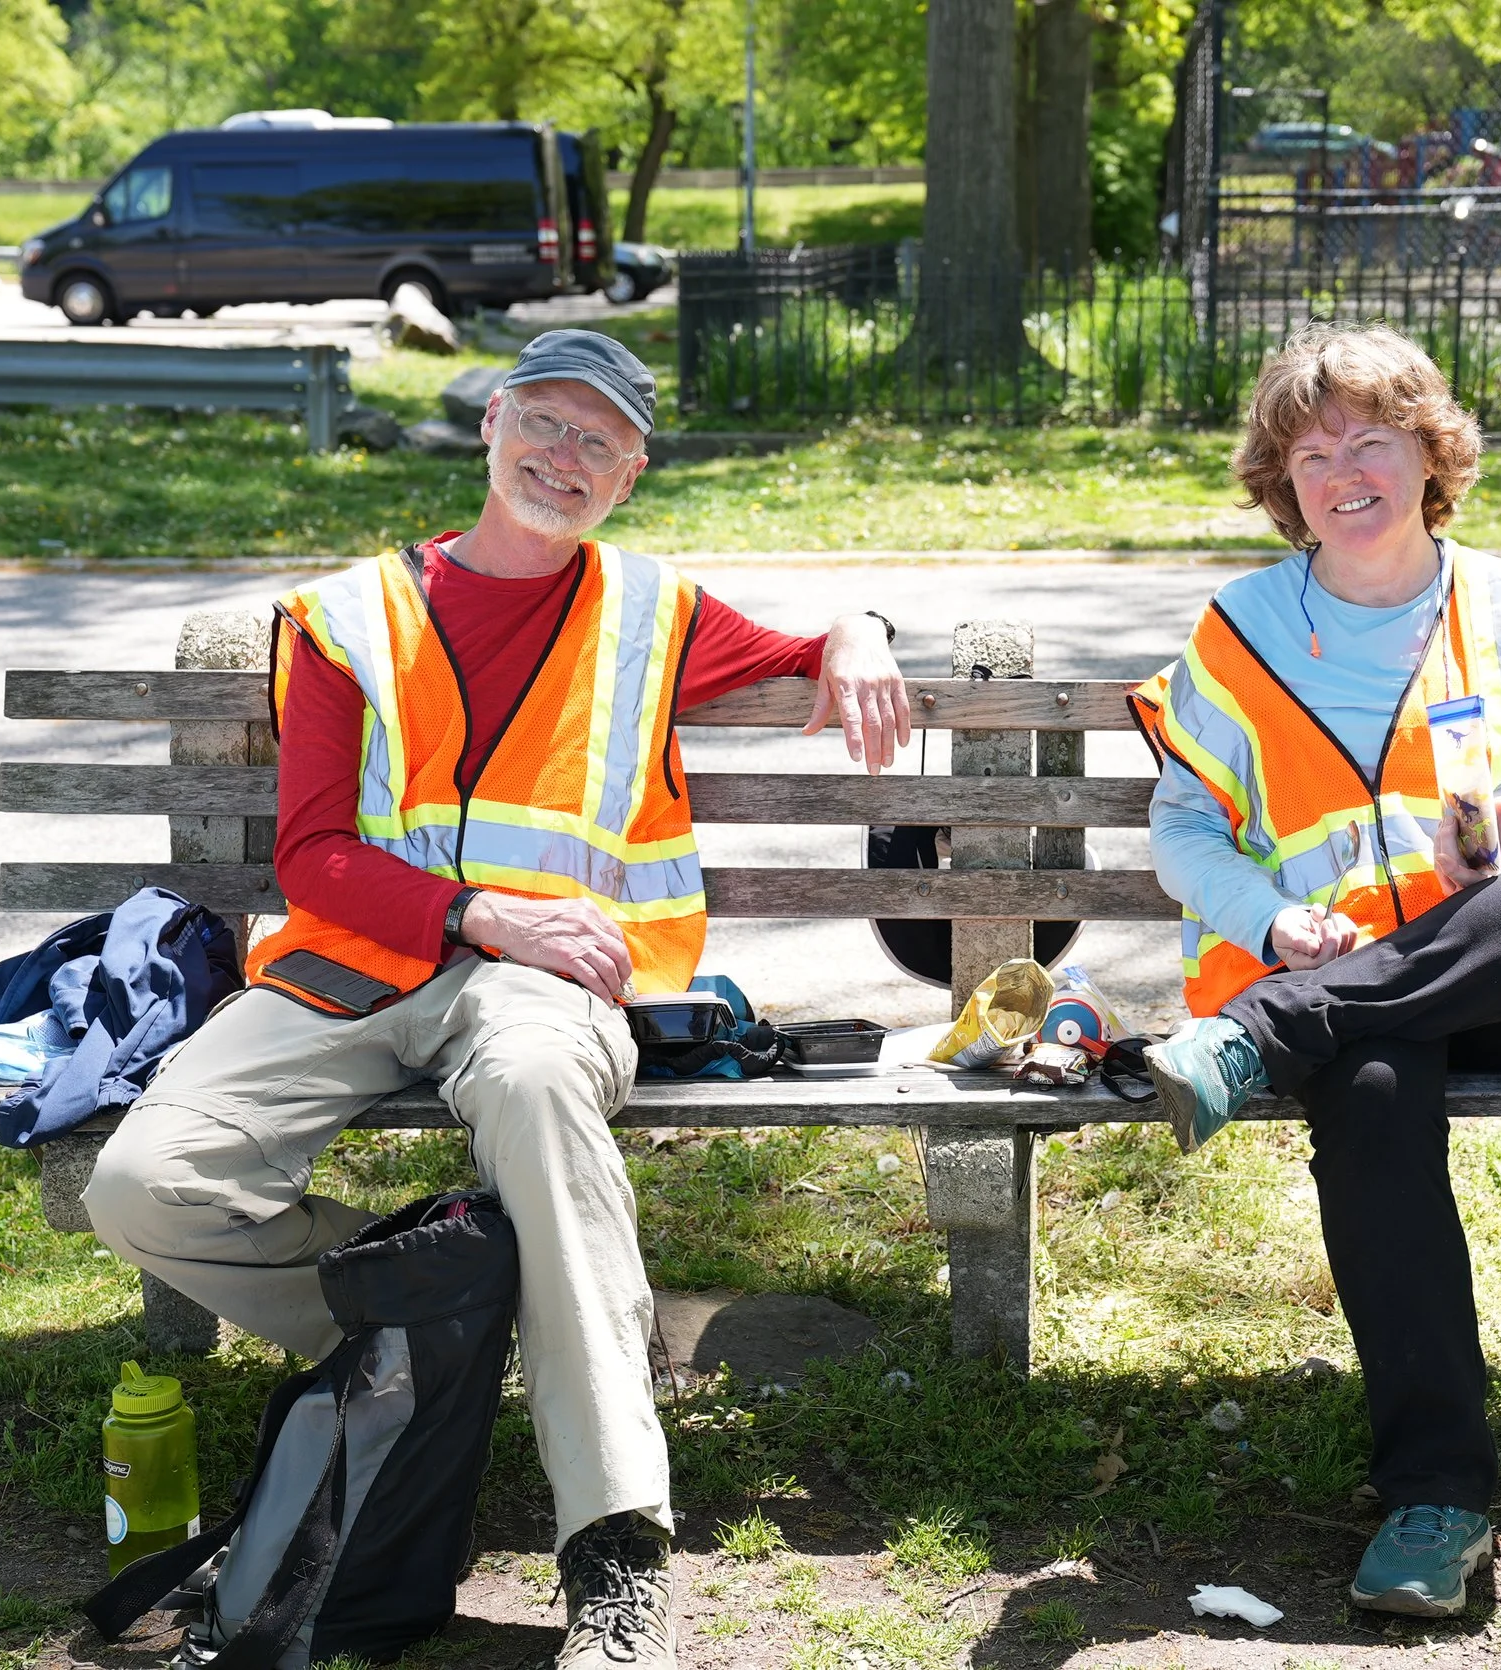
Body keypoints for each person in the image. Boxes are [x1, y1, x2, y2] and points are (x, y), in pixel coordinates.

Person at [82, 330, 910, 1670]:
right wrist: (470, 908)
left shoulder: (654, 609)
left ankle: (617, 1553)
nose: (563, 457)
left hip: (543, 987)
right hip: (351, 963)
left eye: (599, 440)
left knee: (534, 1090)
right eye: (544, 422)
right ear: (491, 426)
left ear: (633, 472)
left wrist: (862, 631)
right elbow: (309, 855)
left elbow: (819, 633)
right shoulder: (349, 614)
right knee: (141, 1182)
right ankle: (448, 1330)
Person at [1129, 322, 1501, 1619]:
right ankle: (1438, 1500)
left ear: (1430, 454)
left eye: (1370, 440)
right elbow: (1183, 829)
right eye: (1309, 452)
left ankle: (1272, 1030)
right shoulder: (1241, 626)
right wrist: (1272, 923)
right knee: (1374, 1085)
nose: (1342, 471)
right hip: (1356, 1005)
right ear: (1282, 483)